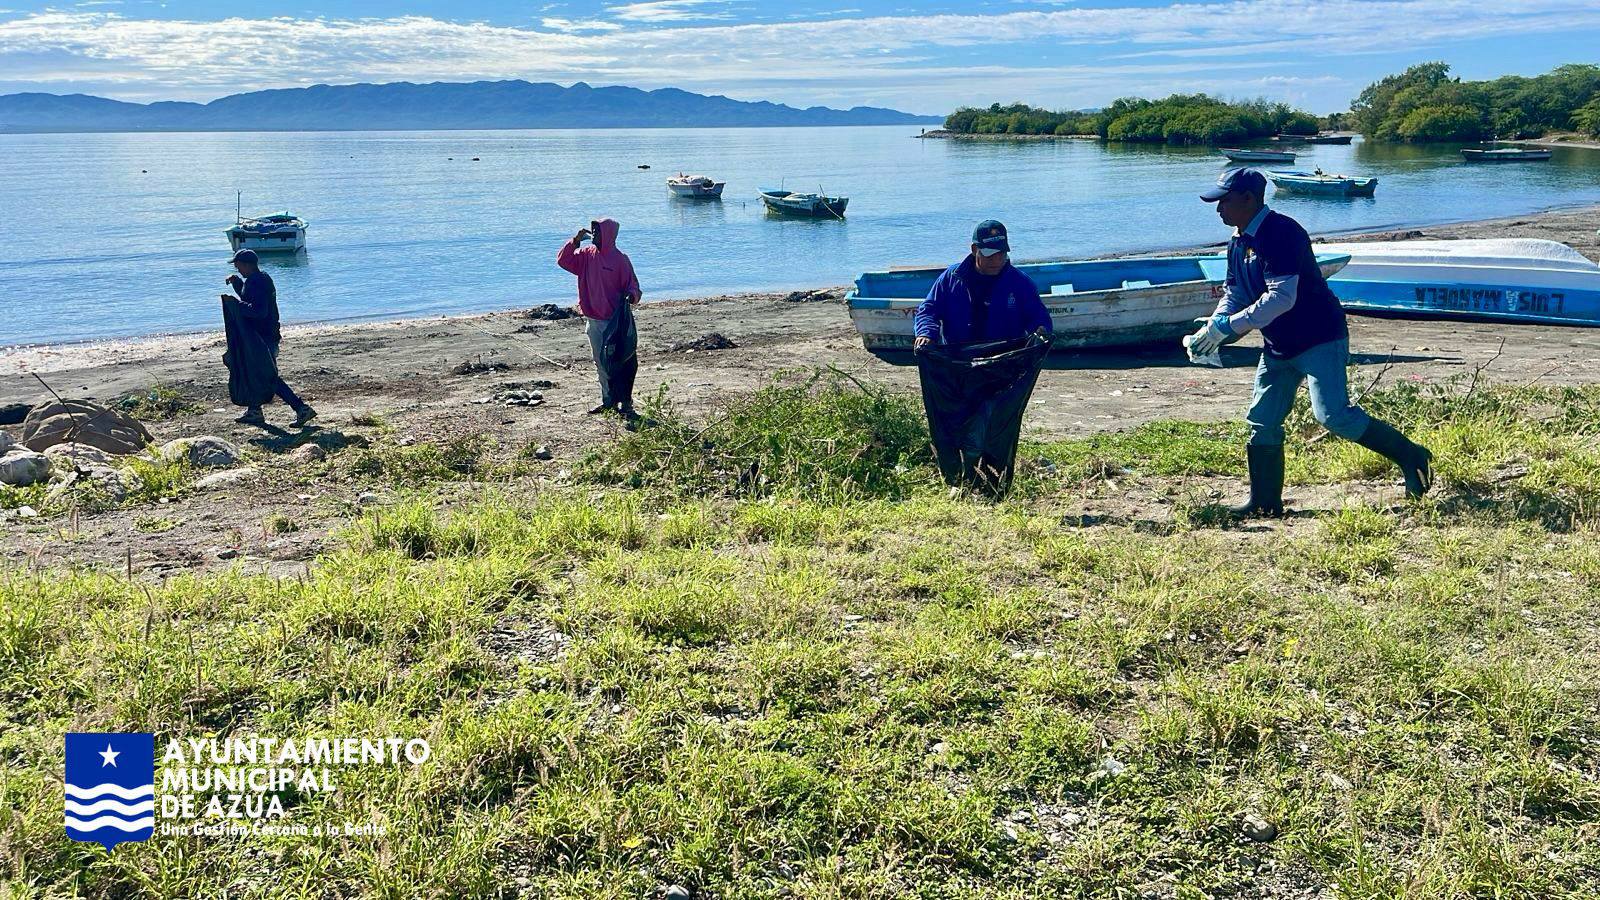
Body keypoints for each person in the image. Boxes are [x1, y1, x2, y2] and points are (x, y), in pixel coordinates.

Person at [1190, 168, 1432, 516]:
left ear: (1249, 198)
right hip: (1279, 344)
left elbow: (1281, 298)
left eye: (1224, 201)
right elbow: (1236, 292)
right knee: (1262, 420)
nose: (1218, 210)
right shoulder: (1238, 240)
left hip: (1319, 337)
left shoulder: (1281, 233)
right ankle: (1264, 503)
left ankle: (1412, 456)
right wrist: (1214, 326)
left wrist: (1229, 328)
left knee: (1334, 416)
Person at [912, 220, 1053, 496]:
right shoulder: (951, 279)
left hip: (1002, 369)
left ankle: (992, 484)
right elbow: (928, 309)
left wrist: (1041, 332)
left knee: (992, 425)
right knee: (960, 422)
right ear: (974, 249)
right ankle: (961, 479)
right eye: (990, 254)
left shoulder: (1019, 284)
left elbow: (1038, 317)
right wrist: (926, 334)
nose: (997, 260)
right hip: (960, 368)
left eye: (1002, 253)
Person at [221, 249, 316, 428]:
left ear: (247, 265)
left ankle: (301, 408)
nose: (237, 268)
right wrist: (237, 283)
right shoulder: (257, 279)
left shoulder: (258, 282)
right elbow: (249, 298)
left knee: (268, 376)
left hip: (264, 338)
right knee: (255, 371)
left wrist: (235, 305)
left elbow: (258, 311)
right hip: (263, 336)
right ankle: (254, 411)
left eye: (238, 265)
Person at [558, 218, 642, 419]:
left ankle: (626, 402)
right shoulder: (586, 255)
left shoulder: (620, 260)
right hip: (593, 320)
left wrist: (631, 295)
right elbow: (563, 260)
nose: (594, 235)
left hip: (615, 322)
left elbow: (634, 287)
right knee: (601, 363)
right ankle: (608, 401)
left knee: (622, 361)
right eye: (593, 231)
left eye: (597, 232)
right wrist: (575, 241)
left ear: (608, 235)